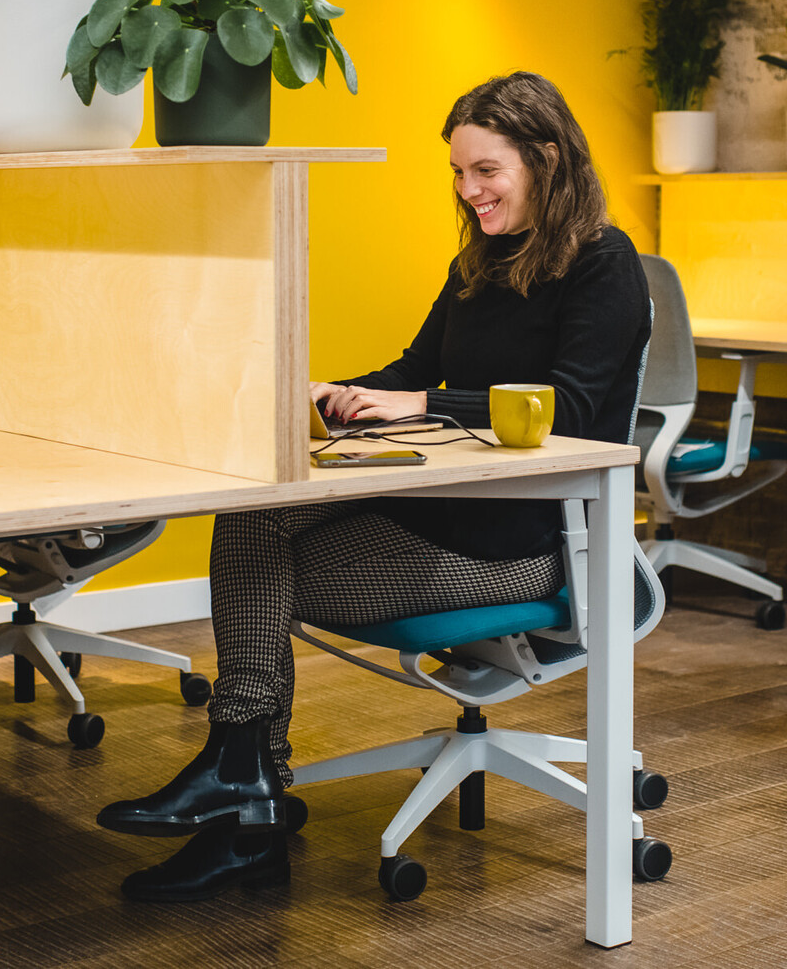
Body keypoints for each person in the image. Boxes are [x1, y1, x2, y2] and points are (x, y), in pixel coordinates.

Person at [97, 71, 653, 902]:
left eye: (487, 173)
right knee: (252, 516)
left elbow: (568, 409)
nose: (469, 193)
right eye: (459, 175)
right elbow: (414, 370)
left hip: (525, 542)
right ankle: (243, 784)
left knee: (261, 575)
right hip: (440, 512)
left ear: (546, 158)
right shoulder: (483, 261)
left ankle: (245, 798)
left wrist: (417, 402)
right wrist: (336, 392)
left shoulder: (604, 265)